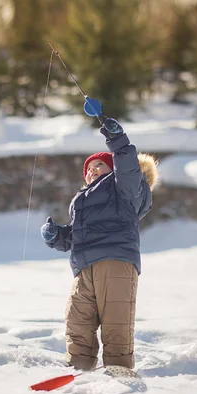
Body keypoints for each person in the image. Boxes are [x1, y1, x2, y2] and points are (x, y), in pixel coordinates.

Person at [40, 117, 158, 371]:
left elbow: (127, 167)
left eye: (99, 166)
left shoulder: (123, 189)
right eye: (89, 168)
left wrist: (117, 139)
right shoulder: (82, 200)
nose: (92, 170)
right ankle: (79, 371)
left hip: (115, 261)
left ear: (113, 170)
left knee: (116, 326)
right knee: (77, 322)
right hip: (84, 267)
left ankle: (119, 376)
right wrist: (56, 236)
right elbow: (76, 236)